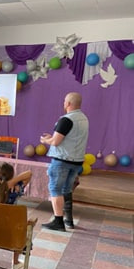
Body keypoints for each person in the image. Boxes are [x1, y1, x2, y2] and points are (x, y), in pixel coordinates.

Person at [40, 92, 89, 231]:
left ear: (68, 104)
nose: (63, 103)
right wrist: (52, 138)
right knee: (67, 189)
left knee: (55, 189)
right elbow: (70, 138)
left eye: (64, 101)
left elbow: (56, 142)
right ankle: (69, 220)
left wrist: (45, 140)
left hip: (62, 160)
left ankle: (58, 221)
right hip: (77, 161)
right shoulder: (84, 118)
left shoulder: (66, 119)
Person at [0, 163, 32, 269]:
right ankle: (15, 262)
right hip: (10, 233)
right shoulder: (16, 189)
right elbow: (29, 174)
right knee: (19, 226)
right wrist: (13, 181)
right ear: (12, 175)